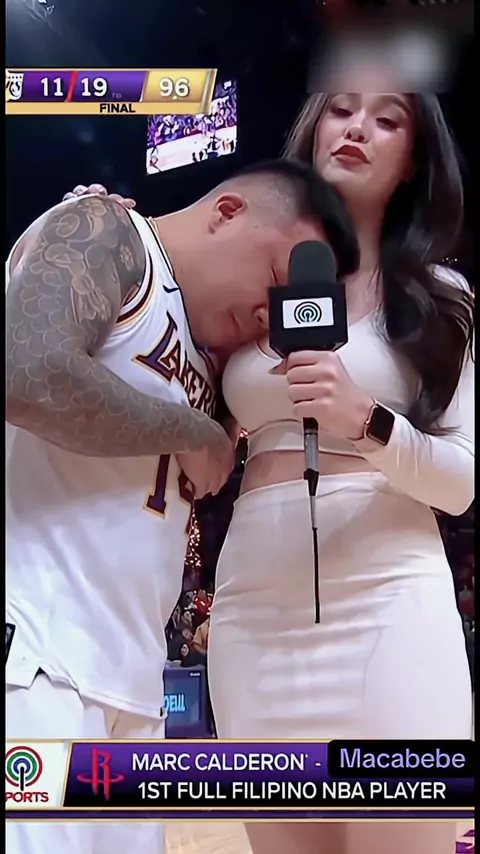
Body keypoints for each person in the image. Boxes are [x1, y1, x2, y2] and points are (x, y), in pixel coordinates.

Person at [59, 91, 475, 854]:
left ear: (415, 158)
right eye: (341, 109)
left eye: (387, 119)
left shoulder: (442, 300)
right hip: (254, 610)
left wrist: (369, 420)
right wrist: (110, 230)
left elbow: (461, 482)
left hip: (389, 598)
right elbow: (149, 355)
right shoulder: (245, 284)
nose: (357, 128)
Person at [5, 158, 359, 854]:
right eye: (275, 277)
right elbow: (29, 373)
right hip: (36, 656)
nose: (268, 313)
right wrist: (190, 430)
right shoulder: (108, 230)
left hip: (133, 684)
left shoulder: (214, 357)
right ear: (227, 213)